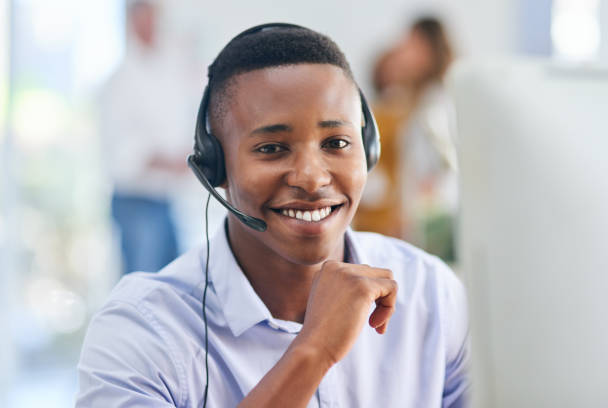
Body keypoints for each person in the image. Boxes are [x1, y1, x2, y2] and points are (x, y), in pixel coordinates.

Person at [77, 24, 469, 407]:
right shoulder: (142, 330)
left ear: (367, 151)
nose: (313, 178)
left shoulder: (431, 293)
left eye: (337, 142)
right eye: (271, 148)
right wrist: (313, 351)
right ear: (216, 167)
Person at [99, 0, 194, 274]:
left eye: (155, 18)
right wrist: (167, 161)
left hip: (167, 198)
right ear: (132, 21)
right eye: (146, 18)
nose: (153, 25)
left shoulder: (168, 71)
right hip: (135, 202)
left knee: (173, 286)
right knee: (141, 286)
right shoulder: (120, 80)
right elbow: (121, 151)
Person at [353, 16, 458, 262]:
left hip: (423, 222)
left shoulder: (436, 105)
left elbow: (442, 171)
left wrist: (412, 212)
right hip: (399, 218)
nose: (403, 51)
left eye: (412, 43)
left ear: (429, 49)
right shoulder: (404, 104)